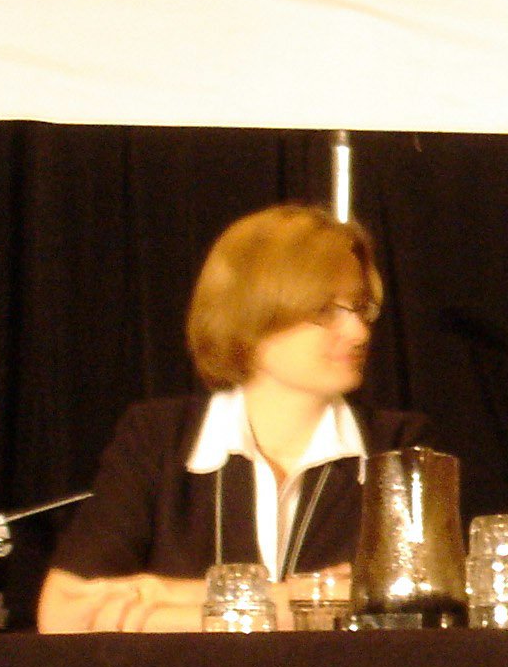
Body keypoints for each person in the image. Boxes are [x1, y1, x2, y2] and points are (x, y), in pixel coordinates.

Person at [39, 203, 430, 633]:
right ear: (252, 315)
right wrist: (299, 602)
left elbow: (409, 609)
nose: (359, 332)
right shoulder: (160, 438)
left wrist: (166, 597)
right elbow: (64, 613)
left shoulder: (398, 446)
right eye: (325, 311)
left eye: (359, 308)